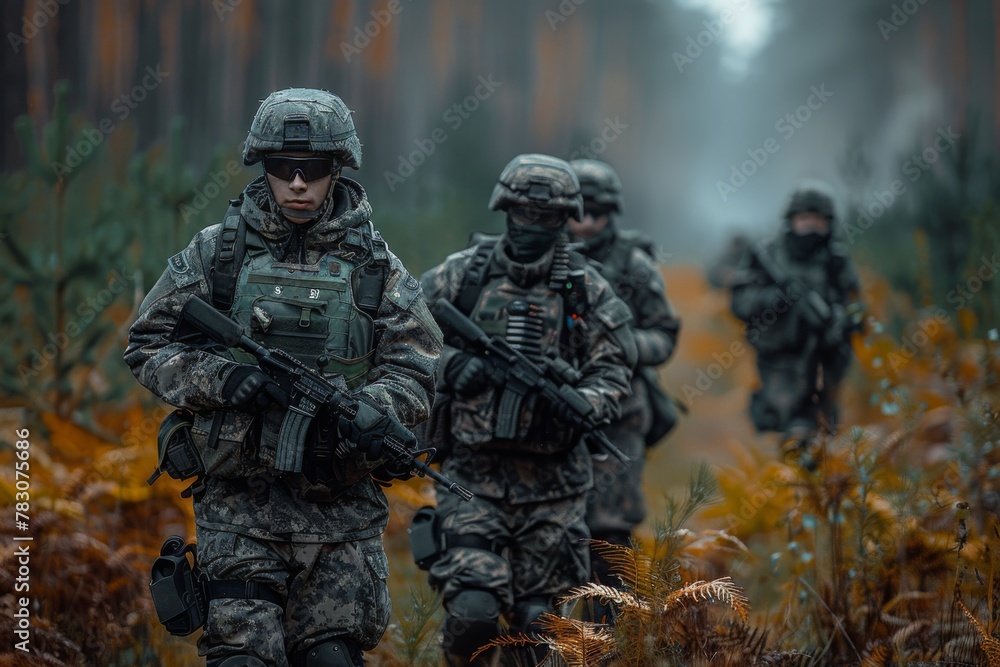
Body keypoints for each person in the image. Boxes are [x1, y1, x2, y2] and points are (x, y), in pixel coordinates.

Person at [124, 88, 442, 667]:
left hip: (339, 518)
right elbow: (147, 343)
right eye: (282, 168)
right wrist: (220, 379)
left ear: (337, 169)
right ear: (264, 167)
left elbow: (417, 368)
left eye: (314, 169)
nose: (298, 183)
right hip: (238, 512)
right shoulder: (217, 254)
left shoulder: (375, 267)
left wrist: (374, 408)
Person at [418, 153, 636, 665]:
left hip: (555, 489)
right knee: (472, 612)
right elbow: (399, 341)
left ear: (565, 219)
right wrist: (450, 366)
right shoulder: (461, 275)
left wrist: (583, 401)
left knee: (538, 629)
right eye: (523, 214)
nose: (533, 226)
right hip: (471, 479)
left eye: (548, 217)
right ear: (505, 210)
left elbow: (616, 372)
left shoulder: (588, 288)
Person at [565, 159, 681, 621]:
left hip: (619, 414)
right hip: (551, 411)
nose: (586, 221)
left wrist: (622, 346)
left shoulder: (633, 265)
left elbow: (665, 334)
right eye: (578, 210)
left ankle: (605, 633)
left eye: (596, 211)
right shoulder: (537, 258)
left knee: (609, 530)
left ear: (612, 213)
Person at [730, 183, 862, 463]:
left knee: (824, 432)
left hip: (825, 361)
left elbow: (856, 304)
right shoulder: (769, 255)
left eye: (818, 222)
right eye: (805, 221)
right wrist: (774, 298)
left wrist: (841, 320)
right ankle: (784, 490)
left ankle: (814, 495)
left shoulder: (835, 261)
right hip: (780, 360)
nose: (811, 229)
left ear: (829, 225)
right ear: (791, 222)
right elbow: (739, 302)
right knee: (787, 428)